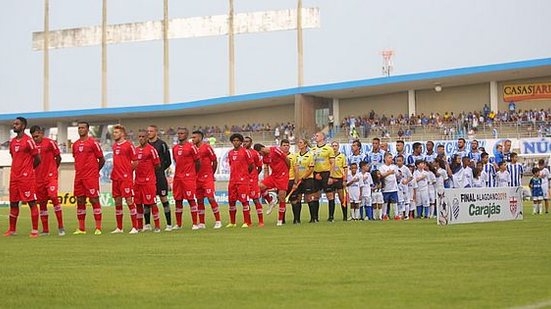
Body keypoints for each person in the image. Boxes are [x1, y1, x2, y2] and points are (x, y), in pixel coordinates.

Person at [4, 117, 41, 237]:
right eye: (14, 124)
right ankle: (12, 230)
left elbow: (37, 158)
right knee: (13, 203)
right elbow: (14, 157)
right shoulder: (13, 142)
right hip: (14, 177)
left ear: (23, 126)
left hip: (26, 178)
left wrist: (28, 170)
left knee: (31, 202)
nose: (14, 126)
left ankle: (35, 230)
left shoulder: (29, 141)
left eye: (17, 124)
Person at [30, 125, 64, 236]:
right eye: (33, 137)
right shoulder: (31, 146)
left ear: (41, 133)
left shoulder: (50, 143)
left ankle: (61, 227)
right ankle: (45, 230)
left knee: (54, 197)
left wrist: (53, 169)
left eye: (37, 136)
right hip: (38, 178)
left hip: (50, 177)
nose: (35, 138)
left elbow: (58, 157)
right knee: (42, 204)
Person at [72, 121, 105, 235]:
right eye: (79, 128)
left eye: (83, 128)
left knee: (94, 199)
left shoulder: (93, 143)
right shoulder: (75, 144)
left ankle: (98, 228)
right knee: (80, 200)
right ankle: (81, 228)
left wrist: (94, 171)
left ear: (87, 129)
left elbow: (102, 159)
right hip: (79, 177)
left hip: (90, 177)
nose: (80, 129)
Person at [110, 124, 139, 234]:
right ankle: (119, 228)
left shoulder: (129, 145)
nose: (114, 134)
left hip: (125, 178)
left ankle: (135, 227)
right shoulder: (114, 146)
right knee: (117, 202)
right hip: (115, 177)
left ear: (122, 134)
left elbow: (135, 161)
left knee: (129, 200)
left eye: (116, 132)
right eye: (114, 132)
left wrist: (128, 173)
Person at [255, 140, 291, 226]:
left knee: (282, 198)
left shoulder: (275, 150)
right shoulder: (265, 158)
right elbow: (266, 168)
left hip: (283, 176)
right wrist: (266, 179)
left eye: (259, 153)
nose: (260, 155)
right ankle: (270, 201)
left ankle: (280, 220)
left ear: (261, 150)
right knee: (259, 186)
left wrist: (286, 170)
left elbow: (286, 159)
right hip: (273, 176)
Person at [172, 128, 200, 230]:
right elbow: (175, 160)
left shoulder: (191, 147)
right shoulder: (174, 148)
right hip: (177, 177)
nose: (180, 135)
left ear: (186, 135)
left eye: (182, 133)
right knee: (178, 200)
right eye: (178, 133)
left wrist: (192, 174)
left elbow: (198, 162)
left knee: (190, 199)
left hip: (188, 178)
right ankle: (178, 224)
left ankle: (195, 224)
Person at [193, 130, 222, 229]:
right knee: (199, 200)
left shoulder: (207, 147)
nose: (193, 139)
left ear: (200, 138)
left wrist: (211, 173)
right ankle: (201, 223)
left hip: (207, 177)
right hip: (197, 178)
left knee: (210, 198)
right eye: (192, 137)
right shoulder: (192, 149)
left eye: (195, 137)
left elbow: (214, 161)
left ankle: (218, 221)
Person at [147, 125, 173, 231]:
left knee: (163, 199)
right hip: (148, 177)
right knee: (148, 201)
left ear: (156, 132)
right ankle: (147, 224)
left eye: (151, 131)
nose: (149, 133)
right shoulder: (145, 145)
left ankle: (169, 224)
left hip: (160, 176)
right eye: (148, 131)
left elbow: (168, 160)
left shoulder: (162, 144)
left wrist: (160, 169)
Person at [134, 130, 161, 232]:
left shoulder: (151, 150)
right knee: (138, 203)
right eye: (139, 136)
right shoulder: (135, 150)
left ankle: (157, 226)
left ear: (147, 138)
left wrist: (148, 173)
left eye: (143, 137)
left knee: (152, 203)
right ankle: (140, 227)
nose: (141, 138)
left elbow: (157, 165)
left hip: (148, 181)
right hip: (137, 181)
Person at [227, 133, 254, 228]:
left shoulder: (245, 152)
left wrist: (244, 174)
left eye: (238, 140)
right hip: (232, 181)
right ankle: (232, 222)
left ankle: (247, 222)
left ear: (241, 142)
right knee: (231, 201)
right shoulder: (230, 153)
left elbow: (251, 165)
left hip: (243, 181)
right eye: (234, 141)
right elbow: (231, 164)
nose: (236, 142)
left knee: (244, 201)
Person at [310, 132, 335, 222]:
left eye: (317, 136)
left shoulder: (328, 149)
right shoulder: (313, 150)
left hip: (326, 174)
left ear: (322, 137)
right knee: (316, 195)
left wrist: (331, 176)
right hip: (316, 174)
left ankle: (331, 217)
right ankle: (315, 218)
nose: (315, 137)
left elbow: (333, 163)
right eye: (315, 136)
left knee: (330, 195)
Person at [290, 138, 315, 224]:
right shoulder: (296, 155)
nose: (299, 144)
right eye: (298, 143)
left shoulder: (310, 155)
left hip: (307, 179)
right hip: (298, 180)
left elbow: (311, 169)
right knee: (298, 198)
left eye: (301, 143)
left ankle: (313, 218)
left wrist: (304, 177)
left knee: (309, 198)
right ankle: (297, 219)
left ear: (305, 145)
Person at [243, 136, 264, 227]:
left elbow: (259, 167)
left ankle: (261, 221)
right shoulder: (240, 152)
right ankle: (248, 222)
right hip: (243, 181)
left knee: (256, 200)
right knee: (245, 201)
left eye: (247, 141)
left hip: (253, 180)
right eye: (244, 141)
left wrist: (254, 175)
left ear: (251, 143)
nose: (245, 143)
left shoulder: (255, 153)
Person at [329, 141, 348, 222]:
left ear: (338, 146)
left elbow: (345, 168)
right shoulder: (329, 156)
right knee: (331, 198)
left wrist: (345, 180)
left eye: (336, 146)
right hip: (331, 178)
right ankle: (331, 216)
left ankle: (345, 216)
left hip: (339, 179)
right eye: (333, 146)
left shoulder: (342, 156)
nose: (334, 147)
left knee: (341, 198)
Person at [379, 152, 399, 220]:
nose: (391, 159)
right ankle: (384, 214)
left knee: (395, 202)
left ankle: (396, 215)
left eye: (391, 158)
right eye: (389, 157)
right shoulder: (382, 167)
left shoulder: (394, 166)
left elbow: (397, 175)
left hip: (394, 187)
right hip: (386, 188)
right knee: (385, 202)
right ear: (385, 158)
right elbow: (382, 175)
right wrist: (389, 173)